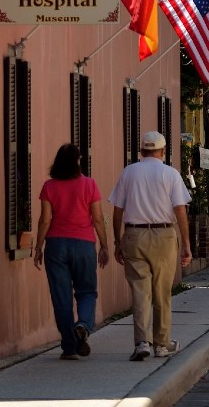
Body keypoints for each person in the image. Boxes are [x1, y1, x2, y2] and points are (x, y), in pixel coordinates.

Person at [110, 131, 192, 361]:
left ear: (141, 151)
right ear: (163, 151)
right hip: (164, 234)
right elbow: (180, 210)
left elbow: (117, 210)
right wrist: (186, 243)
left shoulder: (129, 172)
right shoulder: (170, 174)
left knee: (140, 292)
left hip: (134, 234)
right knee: (162, 292)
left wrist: (118, 241)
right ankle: (162, 344)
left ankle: (142, 342)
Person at [34, 143, 109, 361]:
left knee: (61, 297)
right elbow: (97, 218)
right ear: (77, 161)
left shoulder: (49, 186)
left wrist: (39, 245)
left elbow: (45, 219)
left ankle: (69, 346)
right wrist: (104, 245)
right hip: (84, 245)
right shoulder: (89, 184)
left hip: (56, 246)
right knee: (86, 291)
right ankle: (83, 324)